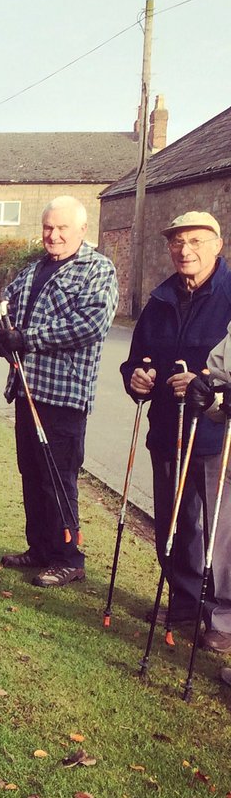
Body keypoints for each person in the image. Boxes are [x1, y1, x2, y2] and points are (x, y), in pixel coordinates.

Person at [0, 195, 118, 587]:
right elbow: (5, 309)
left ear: (82, 229)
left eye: (62, 228)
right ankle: (40, 549)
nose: (53, 235)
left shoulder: (97, 270)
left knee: (58, 478)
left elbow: (89, 325)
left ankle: (69, 558)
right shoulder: (33, 270)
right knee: (32, 474)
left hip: (64, 396)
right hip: (27, 391)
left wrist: (26, 339)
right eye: (48, 228)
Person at [121, 212, 231, 647]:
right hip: (167, 428)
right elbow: (136, 358)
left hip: (217, 433)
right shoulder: (160, 299)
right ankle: (184, 602)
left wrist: (207, 384)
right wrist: (136, 378)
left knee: (221, 529)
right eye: (177, 242)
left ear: (218, 245)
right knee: (174, 522)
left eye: (196, 241)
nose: (185, 250)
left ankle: (223, 619)